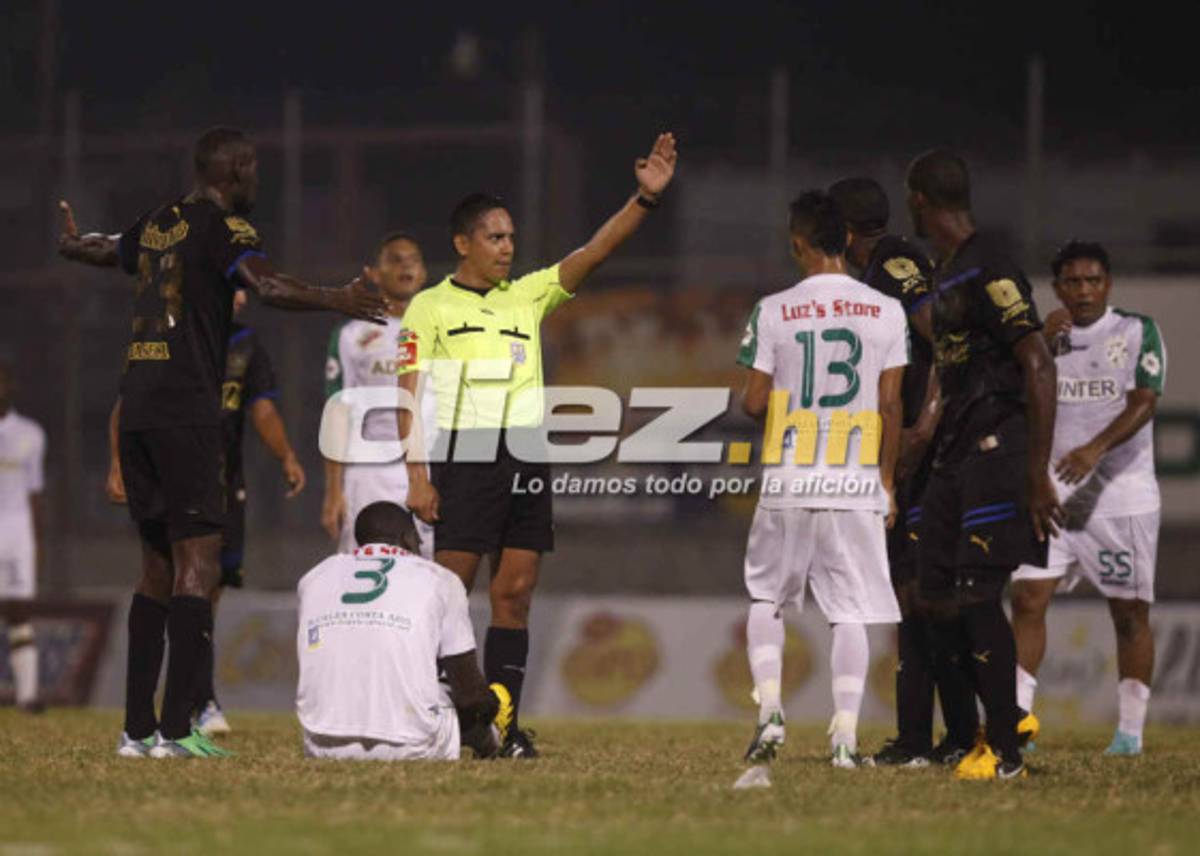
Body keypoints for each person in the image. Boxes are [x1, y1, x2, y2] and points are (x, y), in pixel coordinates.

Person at [58, 126, 387, 758]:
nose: (257, 179)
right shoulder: (226, 229)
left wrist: (73, 246)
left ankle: (135, 731)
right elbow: (265, 286)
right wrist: (336, 297)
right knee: (197, 563)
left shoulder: (158, 223)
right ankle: (179, 730)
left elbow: (110, 250)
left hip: (139, 406)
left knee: (155, 567)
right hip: (186, 410)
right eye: (254, 167)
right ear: (234, 170)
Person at [397, 133, 677, 757]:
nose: (507, 247)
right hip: (466, 455)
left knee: (515, 594)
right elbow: (407, 397)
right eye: (494, 237)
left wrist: (645, 200)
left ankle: (503, 729)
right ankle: (429, 722)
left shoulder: (525, 295)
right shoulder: (429, 307)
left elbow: (596, 250)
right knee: (445, 599)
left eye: (511, 237)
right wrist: (417, 474)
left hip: (526, 453)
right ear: (462, 243)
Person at [905, 149, 1063, 781]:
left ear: (920, 200)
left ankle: (1004, 749)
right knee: (931, 594)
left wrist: (1036, 471)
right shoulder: (947, 271)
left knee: (976, 594)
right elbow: (950, 371)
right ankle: (977, 730)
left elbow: (1037, 361)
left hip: (997, 447)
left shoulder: (988, 264)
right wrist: (921, 436)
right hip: (953, 451)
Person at [736, 190, 907, 771]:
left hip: (790, 475)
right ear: (850, 242)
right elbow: (891, 403)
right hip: (856, 477)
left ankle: (771, 712)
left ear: (799, 243)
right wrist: (887, 480)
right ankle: (845, 738)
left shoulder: (773, 308)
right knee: (850, 609)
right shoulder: (887, 310)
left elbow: (754, 403)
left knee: (767, 597)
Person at [105, 288, 307, 737]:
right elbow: (127, 402)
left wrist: (287, 456)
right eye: (227, 283)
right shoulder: (165, 336)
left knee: (203, 588)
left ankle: (184, 705)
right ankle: (173, 716)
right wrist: (118, 464)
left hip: (221, 480)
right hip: (173, 470)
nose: (237, 295)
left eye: (239, 287)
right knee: (172, 576)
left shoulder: (246, 344)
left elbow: (262, 408)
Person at [828, 177, 979, 767]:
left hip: (925, 454)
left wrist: (923, 425)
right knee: (912, 597)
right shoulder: (876, 272)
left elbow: (942, 338)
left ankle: (946, 737)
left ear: (842, 231)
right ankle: (927, 738)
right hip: (902, 455)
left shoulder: (895, 263)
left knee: (923, 597)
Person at [1010, 241, 1165, 756]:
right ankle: (1018, 723)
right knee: (1029, 599)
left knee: (1128, 614)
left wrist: (1093, 450)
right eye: (1072, 282)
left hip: (1120, 498)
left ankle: (1129, 735)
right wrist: (1038, 347)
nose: (1083, 291)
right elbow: (1016, 400)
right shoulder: (1040, 339)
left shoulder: (1136, 330)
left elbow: (1144, 402)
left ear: (1108, 284)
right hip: (1050, 493)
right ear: (1057, 290)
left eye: (1093, 280)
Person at [296, 501, 512, 761]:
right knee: (453, 692)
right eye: (419, 542)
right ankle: (489, 747)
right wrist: (492, 706)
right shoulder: (440, 580)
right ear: (407, 539)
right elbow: (469, 695)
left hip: (321, 744)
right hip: (410, 745)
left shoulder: (314, 578)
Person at [323, 232, 435, 557]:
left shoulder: (444, 330)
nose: (405, 266)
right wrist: (333, 491)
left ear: (424, 273)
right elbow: (337, 413)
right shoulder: (352, 335)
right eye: (395, 259)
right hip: (369, 472)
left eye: (413, 259)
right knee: (363, 566)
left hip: (430, 468)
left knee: (431, 572)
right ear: (373, 273)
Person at [0, 362, 46, 713]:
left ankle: (27, 696)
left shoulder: (31, 434)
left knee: (18, 611)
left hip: (16, 532)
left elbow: (35, 492)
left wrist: (36, 540)